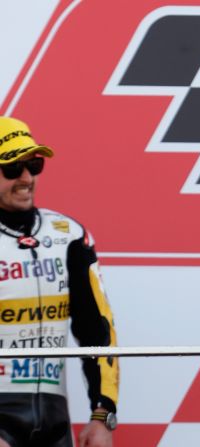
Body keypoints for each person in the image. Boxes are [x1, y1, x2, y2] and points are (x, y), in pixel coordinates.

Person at [0, 117, 118, 446]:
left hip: (53, 417)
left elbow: (97, 329)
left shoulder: (68, 236)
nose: (26, 178)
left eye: (34, 164)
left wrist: (103, 414)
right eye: (12, 168)